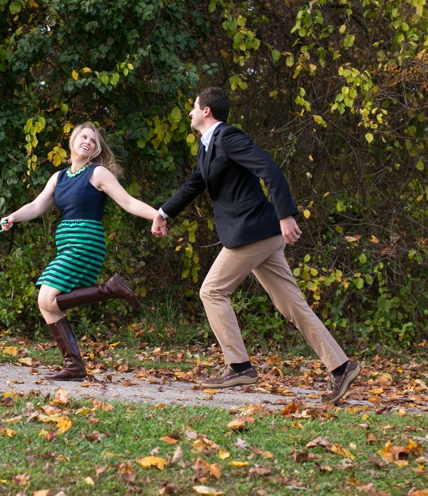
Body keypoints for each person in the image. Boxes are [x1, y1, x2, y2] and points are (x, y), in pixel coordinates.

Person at [151, 87, 361, 404]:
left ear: (207, 111)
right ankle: (342, 367)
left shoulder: (229, 137)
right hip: (257, 232)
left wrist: (286, 214)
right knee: (292, 306)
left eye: (194, 107)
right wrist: (163, 213)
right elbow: (193, 184)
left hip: (254, 230)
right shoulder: (207, 147)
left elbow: (269, 168)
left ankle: (239, 366)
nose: (191, 112)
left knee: (211, 291)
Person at [2, 122, 163, 381]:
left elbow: (127, 201)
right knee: (46, 304)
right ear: (73, 141)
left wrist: (157, 215)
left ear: (96, 149)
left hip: (86, 243)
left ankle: (108, 291)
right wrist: (13, 217)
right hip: (66, 245)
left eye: (93, 140)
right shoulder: (58, 178)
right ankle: (74, 365)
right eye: (84, 136)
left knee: (46, 296)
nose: (88, 141)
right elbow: (36, 206)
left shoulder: (98, 173)